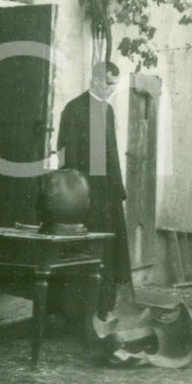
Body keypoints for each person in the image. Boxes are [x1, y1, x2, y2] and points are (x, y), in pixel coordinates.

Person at [57, 61, 132, 317]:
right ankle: (78, 312)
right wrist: (77, 193)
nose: (112, 89)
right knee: (85, 252)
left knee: (109, 252)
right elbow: (68, 158)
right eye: (110, 83)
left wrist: (118, 189)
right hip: (84, 196)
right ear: (97, 80)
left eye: (115, 85)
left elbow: (112, 155)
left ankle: (104, 308)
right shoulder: (74, 109)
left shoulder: (107, 110)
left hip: (107, 195)